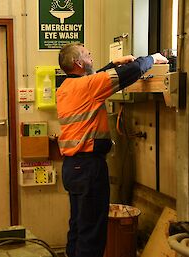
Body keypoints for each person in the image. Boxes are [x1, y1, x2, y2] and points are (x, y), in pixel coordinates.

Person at [56, 43, 168, 257]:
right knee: (92, 234)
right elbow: (131, 72)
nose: (91, 57)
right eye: (88, 55)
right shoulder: (89, 87)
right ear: (79, 63)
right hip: (89, 167)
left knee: (79, 227)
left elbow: (92, 80)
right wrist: (153, 58)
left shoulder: (65, 88)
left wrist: (112, 64)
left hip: (72, 168)